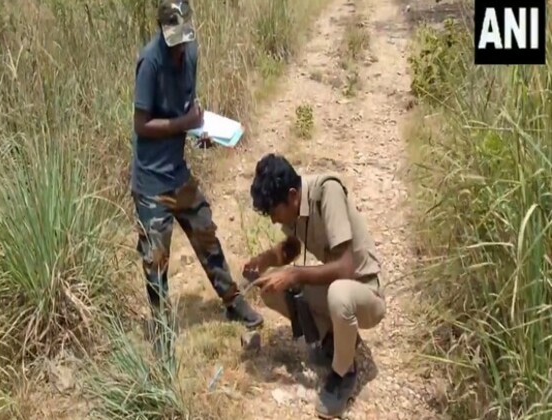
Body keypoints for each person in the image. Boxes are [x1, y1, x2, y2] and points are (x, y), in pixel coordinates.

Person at [131, 0, 263, 331]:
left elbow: (187, 107)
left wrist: (200, 130)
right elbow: (141, 125)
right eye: (174, 39)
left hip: (177, 172)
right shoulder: (150, 62)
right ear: (164, 31)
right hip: (151, 183)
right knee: (155, 261)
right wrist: (183, 123)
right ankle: (161, 329)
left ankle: (233, 302)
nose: (181, 47)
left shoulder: (190, 54)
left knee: (206, 233)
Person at [243, 153, 386, 419]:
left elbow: (345, 267)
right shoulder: (296, 205)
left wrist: (294, 273)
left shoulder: (326, 193)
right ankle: (333, 339)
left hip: (365, 291)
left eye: (275, 212)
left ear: (293, 195)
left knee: (338, 294)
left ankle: (344, 373)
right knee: (272, 289)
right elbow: (292, 248)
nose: (274, 221)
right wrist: (264, 260)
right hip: (338, 286)